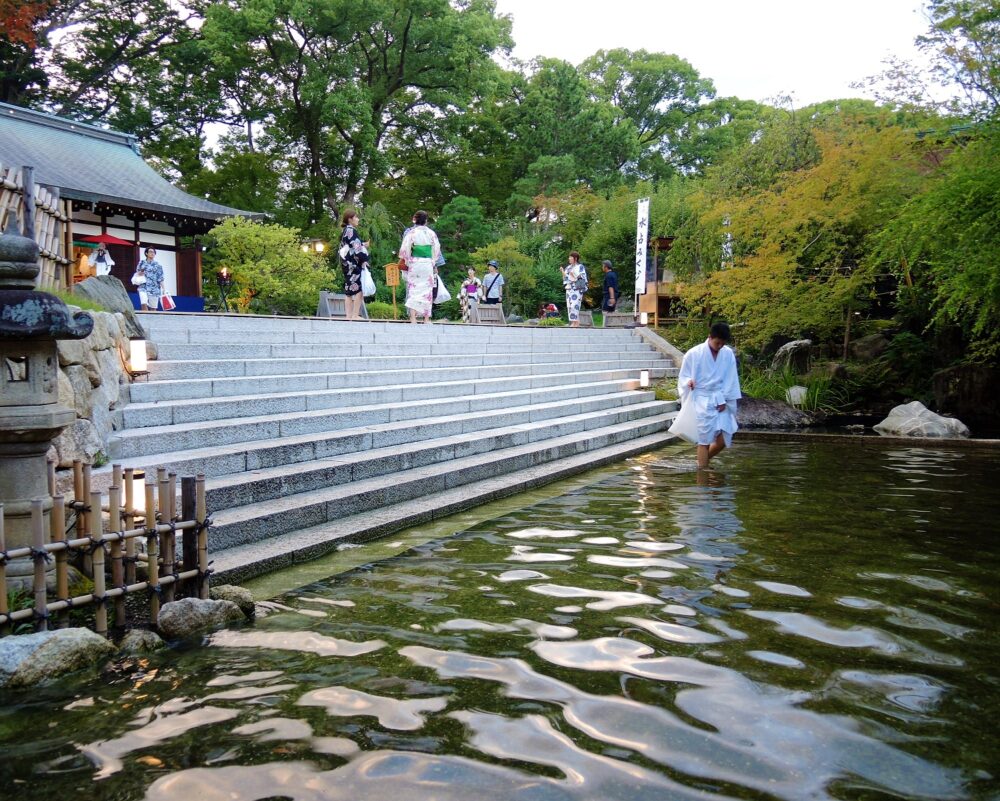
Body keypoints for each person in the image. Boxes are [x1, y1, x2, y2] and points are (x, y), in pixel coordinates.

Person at [677, 322, 742, 470]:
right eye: (717, 342)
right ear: (710, 337)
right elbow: (684, 376)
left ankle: (700, 462)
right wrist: (689, 381)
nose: (720, 346)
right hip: (701, 399)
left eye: (722, 343)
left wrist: (725, 398)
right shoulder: (694, 353)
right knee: (704, 439)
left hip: (720, 397)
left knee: (725, 435)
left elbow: (731, 378)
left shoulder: (727, 354)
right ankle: (703, 474)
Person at [399, 210, 441, 324]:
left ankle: (413, 318)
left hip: (415, 263)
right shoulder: (431, 233)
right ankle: (426, 319)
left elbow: (405, 249)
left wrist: (408, 260)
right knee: (427, 290)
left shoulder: (411, 233)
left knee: (414, 289)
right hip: (427, 263)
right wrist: (432, 261)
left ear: (415, 220)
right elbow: (436, 250)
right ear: (426, 221)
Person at [340, 207, 369, 322]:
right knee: (358, 288)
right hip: (352, 264)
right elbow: (356, 248)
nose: (358, 219)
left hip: (345, 263)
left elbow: (352, 245)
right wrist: (364, 259)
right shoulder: (351, 230)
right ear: (350, 219)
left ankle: (348, 315)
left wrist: (362, 244)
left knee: (348, 288)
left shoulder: (346, 231)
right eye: (356, 217)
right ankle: (355, 314)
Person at [561, 251, 587, 328]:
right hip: (569, 288)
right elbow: (566, 278)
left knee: (575, 305)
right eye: (569, 257)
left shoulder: (580, 266)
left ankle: (576, 322)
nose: (569, 258)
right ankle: (574, 322)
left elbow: (582, 277)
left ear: (575, 258)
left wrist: (574, 275)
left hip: (577, 288)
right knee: (569, 305)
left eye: (571, 257)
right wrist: (563, 272)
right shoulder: (568, 267)